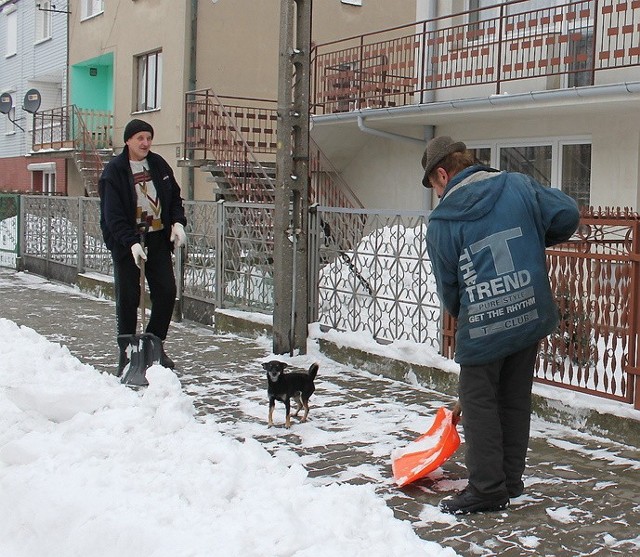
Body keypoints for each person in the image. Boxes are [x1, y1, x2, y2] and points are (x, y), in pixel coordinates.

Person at [422, 136, 580, 514]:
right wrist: (535, 237)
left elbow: (450, 287)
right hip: (529, 312)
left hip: (483, 325)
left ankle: (488, 489)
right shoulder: (517, 185)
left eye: (435, 187)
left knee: (479, 404)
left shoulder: (443, 221)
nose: (438, 196)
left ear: (443, 173)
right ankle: (510, 480)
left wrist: (472, 311)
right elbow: (567, 214)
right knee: (513, 399)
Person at [99, 118, 187, 375]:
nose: (145, 142)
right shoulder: (114, 172)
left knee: (167, 291)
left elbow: (174, 197)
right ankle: (127, 356)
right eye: (140, 138)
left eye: (148, 137)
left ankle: (152, 345)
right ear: (128, 140)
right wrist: (130, 243)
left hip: (157, 238)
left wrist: (178, 223)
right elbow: (112, 215)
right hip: (127, 242)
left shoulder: (158, 163)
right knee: (128, 298)